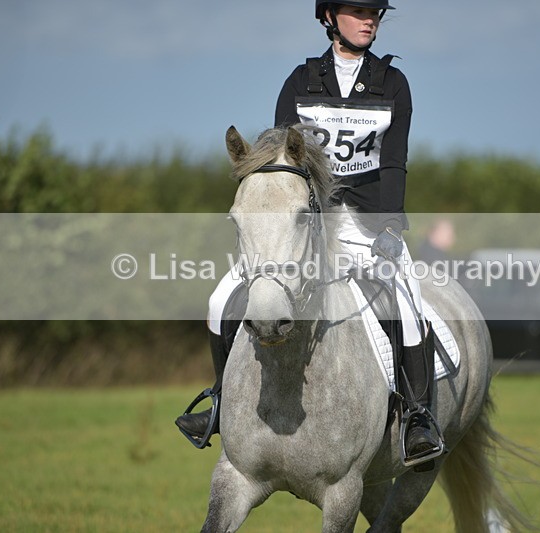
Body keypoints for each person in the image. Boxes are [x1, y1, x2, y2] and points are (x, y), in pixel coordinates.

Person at [177, 0, 442, 463]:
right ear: (328, 18)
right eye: (358, 11)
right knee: (221, 299)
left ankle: (418, 415)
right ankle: (220, 402)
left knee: (404, 294)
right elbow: (281, 163)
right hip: (306, 225)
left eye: (375, 12)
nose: (369, 19)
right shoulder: (299, 82)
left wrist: (389, 230)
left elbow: (394, 164)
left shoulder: (393, 83)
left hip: (365, 220)